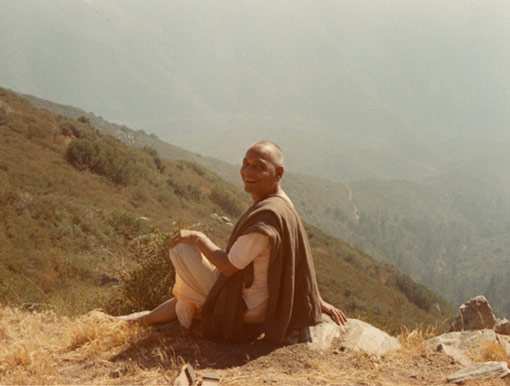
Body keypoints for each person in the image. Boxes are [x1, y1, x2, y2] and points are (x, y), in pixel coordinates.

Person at [132, 141, 346, 343]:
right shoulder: (282, 204)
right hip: (259, 297)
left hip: (246, 307)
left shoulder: (267, 219)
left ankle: (181, 314)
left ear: (278, 173)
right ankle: (145, 320)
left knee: (182, 246)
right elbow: (295, 259)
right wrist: (315, 299)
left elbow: (228, 267)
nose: (248, 171)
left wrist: (198, 238)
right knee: (193, 288)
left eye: (259, 166)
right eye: (246, 164)